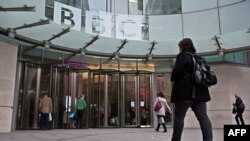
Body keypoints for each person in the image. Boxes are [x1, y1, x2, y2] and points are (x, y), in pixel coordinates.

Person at [170, 38, 213, 141]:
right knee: (203, 117)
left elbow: (176, 73)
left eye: (179, 47)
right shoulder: (199, 58)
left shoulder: (182, 56)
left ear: (182, 47)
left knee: (179, 117)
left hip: (184, 94)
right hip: (200, 94)